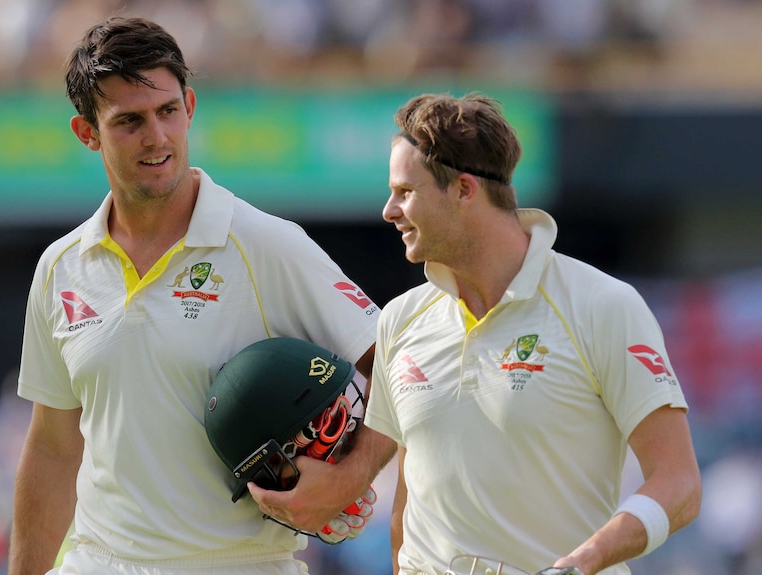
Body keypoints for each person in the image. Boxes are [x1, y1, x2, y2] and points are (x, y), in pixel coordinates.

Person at [251, 93, 701, 575]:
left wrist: (587, 560)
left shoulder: (603, 305)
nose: (388, 210)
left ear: (465, 191)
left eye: (405, 191)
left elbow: (679, 486)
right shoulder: (400, 318)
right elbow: (409, 498)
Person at [9, 16, 380, 575]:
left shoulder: (266, 244)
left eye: (167, 112)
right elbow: (54, 448)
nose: (156, 137)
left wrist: (351, 476)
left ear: (190, 106)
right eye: (129, 121)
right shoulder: (61, 267)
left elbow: (401, 365)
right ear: (87, 133)